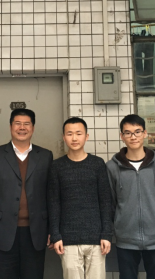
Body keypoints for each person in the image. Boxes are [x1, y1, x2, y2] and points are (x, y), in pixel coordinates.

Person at [0, 109, 53, 279]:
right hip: (2, 232)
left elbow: (51, 196)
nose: (22, 128)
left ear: (33, 128)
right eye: (18, 123)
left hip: (36, 232)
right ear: (10, 126)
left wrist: (52, 230)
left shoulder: (45, 156)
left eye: (27, 124)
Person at [48, 117, 113, 280]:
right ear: (64, 137)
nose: (74, 138)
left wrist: (106, 234)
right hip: (67, 238)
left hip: (96, 238)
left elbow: (105, 201)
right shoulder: (56, 166)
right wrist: (55, 235)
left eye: (79, 133)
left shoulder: (97, 164)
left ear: (86, 136)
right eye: (69, 134)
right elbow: (54, 203)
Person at [106, 115, 155, 279]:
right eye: (128, 133)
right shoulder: (112, 167)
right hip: (125, 239)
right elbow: (111, 202)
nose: (133, 137)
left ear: (145, 133)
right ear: (121, 136)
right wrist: (119, 224)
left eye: (137, 132)